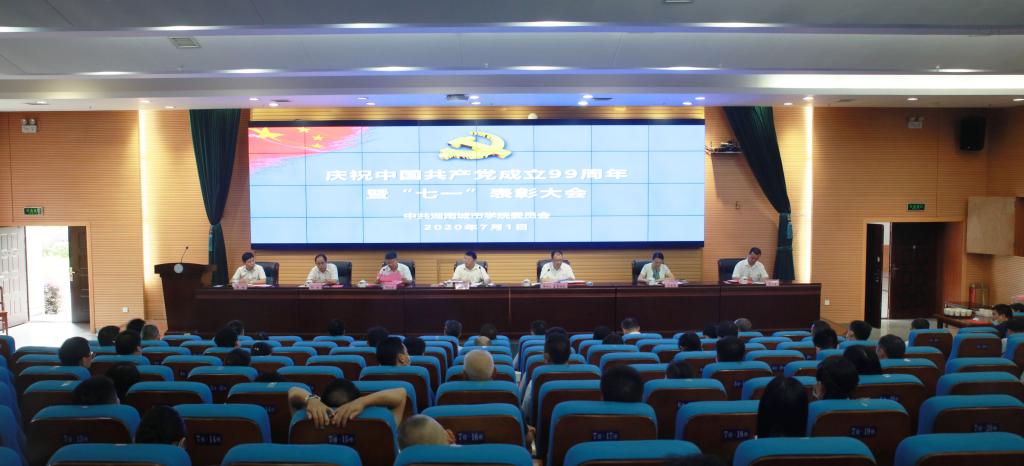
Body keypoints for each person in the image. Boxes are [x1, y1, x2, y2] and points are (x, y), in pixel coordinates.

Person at [288, 378, 407, 428]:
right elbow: (401, 394)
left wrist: (312, 399)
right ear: (355, 402)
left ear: (323, 402)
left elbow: (293, 391)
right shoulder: (381, 424)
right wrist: (364, 401)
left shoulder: (303, 423)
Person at [521, 334, 571, 422]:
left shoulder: (537, 380)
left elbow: (524, 412)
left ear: (546, 356)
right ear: (569, 354)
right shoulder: (587, 377)